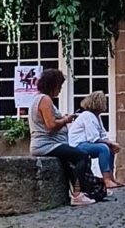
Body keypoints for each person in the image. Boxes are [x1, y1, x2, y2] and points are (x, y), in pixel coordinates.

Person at [28, 66, 108, 202]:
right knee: (81, 156)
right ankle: (78, 194)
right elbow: (50, 126)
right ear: (53, 85)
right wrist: (66, 119)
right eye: (59, 86)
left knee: (71, 161)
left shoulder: (40, 99)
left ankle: (87, 190)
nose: (60, 90)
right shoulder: (44, 99)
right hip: (47, 145)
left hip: (50, 144)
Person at [65, 90, 117, 189]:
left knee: (109, 149)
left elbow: (102, 134)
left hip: (86, 143)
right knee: (103, 148)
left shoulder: (97, 117)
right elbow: (94, 138)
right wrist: (109, 143)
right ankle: (106, 180)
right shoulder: (88, 116)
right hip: (78, 145)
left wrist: (111, 144)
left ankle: (111, 178)